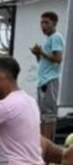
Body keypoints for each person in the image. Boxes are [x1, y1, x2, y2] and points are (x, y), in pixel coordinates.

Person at [30, 11, 64, 139]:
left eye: (46, 22)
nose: (43, 25)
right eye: (42, 22)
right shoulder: (47, 40)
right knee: (42, 115)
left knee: (49, 115)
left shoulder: (56, 37)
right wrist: (38, 54)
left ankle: (46, 146)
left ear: (54, 23)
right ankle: (41, 144)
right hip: (42, 81)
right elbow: (43, 62)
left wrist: (42, 53)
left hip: (50, 80)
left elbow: (58, 58)